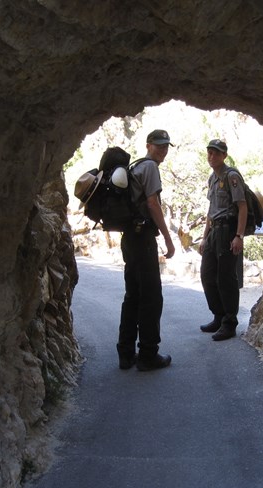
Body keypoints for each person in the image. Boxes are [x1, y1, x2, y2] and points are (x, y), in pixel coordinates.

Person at [117, 129, 176, 371]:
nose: (163, 150)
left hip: (130, 238)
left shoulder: (134, 167)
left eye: (166, 146)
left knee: (133, 296)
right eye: (159, 145)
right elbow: (153, 203)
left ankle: (126, 353)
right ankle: (148, 354)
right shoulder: (150, 167)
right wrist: (168, 239)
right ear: (148, 145)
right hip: (142, 240)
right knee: (151, 297)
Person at [198, 139, 248, 341]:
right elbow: (211, 210)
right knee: (207, 274)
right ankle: (218, 316)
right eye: (209, 153)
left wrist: (239, 236)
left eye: (216, 153)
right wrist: (204, 237)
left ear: (224, 155)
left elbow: (242, 207)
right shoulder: (212, 178)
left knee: (226, 278)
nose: (212, 157)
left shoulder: (232, 176)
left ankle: (229, 323)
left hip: (228, 230)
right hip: (213, 232)